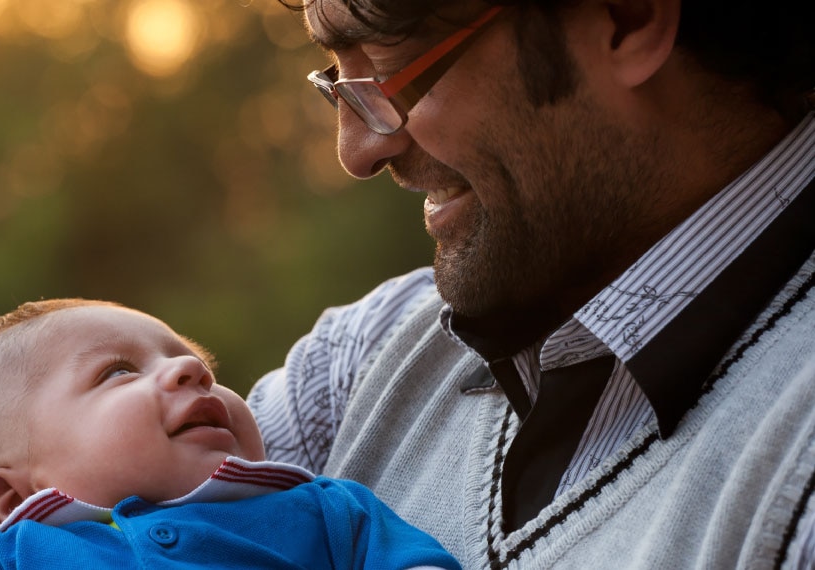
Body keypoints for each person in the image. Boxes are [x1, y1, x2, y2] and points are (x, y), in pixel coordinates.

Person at [247, 0, 815, 567]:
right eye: (339, 81)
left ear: (629, 21)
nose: (358, 151)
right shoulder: (356, 366)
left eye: (391, 66)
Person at [0, 298, 462, 570]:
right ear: (16, 500)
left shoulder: (323, 508)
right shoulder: (9, 557)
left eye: (195, 360)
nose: (194, 373)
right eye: (118, 371)